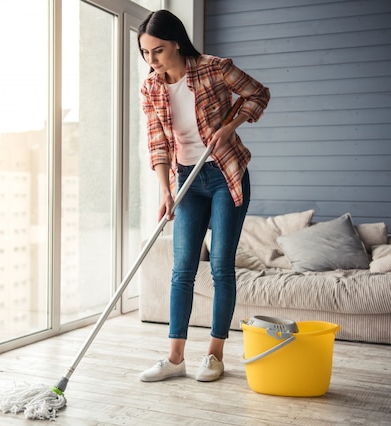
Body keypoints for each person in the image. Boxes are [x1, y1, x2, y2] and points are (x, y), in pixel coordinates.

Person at [137, 10, 270, 382]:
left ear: (177, 42)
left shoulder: (214, 68)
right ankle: (175, 358)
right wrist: (165, 190)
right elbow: (158, 143)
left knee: (221, 267)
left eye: (158, 51)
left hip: (226, 174)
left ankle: (214, 355)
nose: (153, 61)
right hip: (186, 180)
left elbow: (258, 94)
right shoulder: (150, 87)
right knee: (182, 270)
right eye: (146, 53)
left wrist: (230, 127)